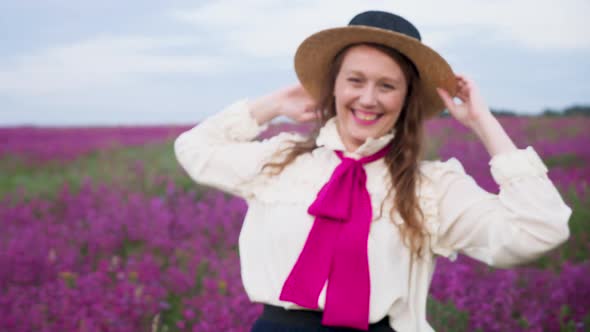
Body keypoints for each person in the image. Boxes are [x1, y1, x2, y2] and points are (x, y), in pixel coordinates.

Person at [174, 10, 571, 332]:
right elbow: (194, 149)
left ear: (406, 99)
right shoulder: (282, 161)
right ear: (333, 87)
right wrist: (274, 103)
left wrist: (483, 122)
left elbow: (540, 230)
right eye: (355, 80)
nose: (368, 98)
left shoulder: (430, 188)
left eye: (387, 85)